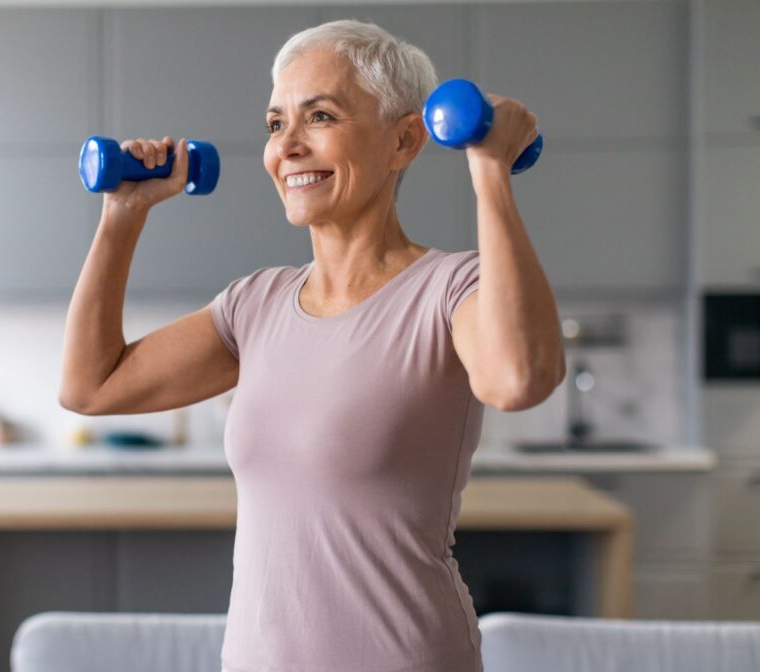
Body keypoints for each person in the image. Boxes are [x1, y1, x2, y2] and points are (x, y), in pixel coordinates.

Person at [60, 18, 566, 672]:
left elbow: (517, 379)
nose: (288, 146)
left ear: (405, 139)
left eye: (319, 116)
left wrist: (490, 171)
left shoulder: (450, 288)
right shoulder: (257, 304)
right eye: (276, 124)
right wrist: (122, 217)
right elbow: (91, 386)